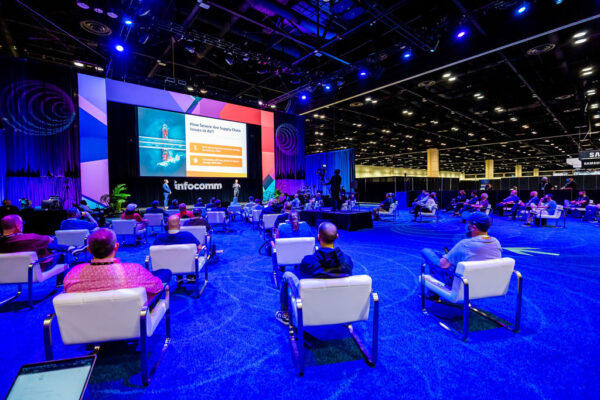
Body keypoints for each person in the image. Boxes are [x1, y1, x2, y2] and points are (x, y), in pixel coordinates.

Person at [275, 222, 353, 325]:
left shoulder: (308, 261)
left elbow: (301, 281)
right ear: (337, 236)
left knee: (287, 275)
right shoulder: (347, 260)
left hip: (313, 307)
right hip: (338, 306)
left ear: (318, 237)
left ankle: (285, 314)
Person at [64, 229, 171, 299]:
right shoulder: (134, 270)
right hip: (133, 318)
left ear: (89, 250)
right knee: (164, 273)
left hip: (86, 322)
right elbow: (157, 287)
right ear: (116, 247)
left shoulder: (73, 274)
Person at [421, 212, 502, 289]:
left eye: (468, 223)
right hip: (486, 283)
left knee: (426, 252)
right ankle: (432, 293)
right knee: (439, 254)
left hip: (462, 283)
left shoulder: (465, 244)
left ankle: (432, 293)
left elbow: (443, 265)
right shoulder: (496, 242)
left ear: (473, 227)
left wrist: (446, 257)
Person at [0, 214, 69, 271]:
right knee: (61, 253)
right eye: (22, 223)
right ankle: (60, 282)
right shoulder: (31, 238)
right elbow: (50, 239)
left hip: (6, 272)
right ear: (18, 226)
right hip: (32, 270)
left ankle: (69, 248)